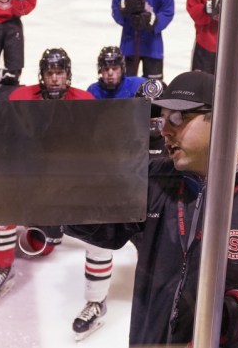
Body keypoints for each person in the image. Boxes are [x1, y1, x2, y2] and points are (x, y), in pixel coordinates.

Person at [65, 71, 238, 346]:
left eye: (178, 118)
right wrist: (68, 194)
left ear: (222, 118)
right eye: (163, 119)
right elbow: (105, 231)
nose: (164, 130)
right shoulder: (154, 179)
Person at [0, 48, 94, 306]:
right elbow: (6, 139)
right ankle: (5, 259)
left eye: (60, 73)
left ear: (67, 75)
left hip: (67, 181)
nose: (55, 79)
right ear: (42, 75)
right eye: (50, 73)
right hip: (29, 177)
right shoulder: (20, 97)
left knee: (47, 245)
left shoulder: (85, 101)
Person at [69, 46, 147, 339]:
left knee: (159, 241)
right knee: (98, 239)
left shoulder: (139, 87)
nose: (110, 73)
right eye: (106, 68)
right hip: (109, 179)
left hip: (144, 174)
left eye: (115, 68)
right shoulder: (92, 92)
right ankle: (95, 301)